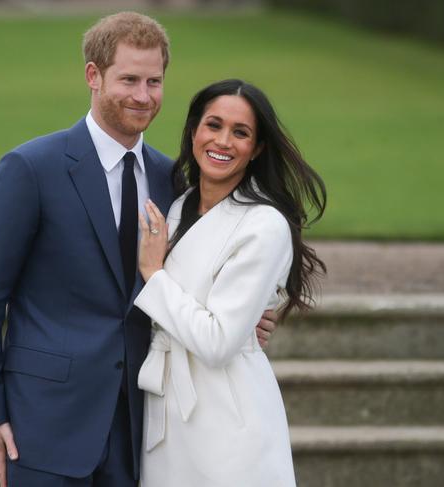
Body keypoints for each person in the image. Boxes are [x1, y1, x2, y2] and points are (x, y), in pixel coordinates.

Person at [0, 13, 277, 487]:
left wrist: (242, 316)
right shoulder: (30, 169)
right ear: (93, 76)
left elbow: (186, 278)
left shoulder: (175, 183)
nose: (143, 96)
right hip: (43, 424)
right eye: (128, 79)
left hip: (142, 428)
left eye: (154, 81)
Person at [134, 79, 327, 486]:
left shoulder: (264, 225)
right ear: (193, 131)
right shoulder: (180, 205)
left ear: (256, 148)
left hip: (227, 415)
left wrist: (154, 275)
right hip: (165, 410)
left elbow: (218, 342)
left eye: (240, 133)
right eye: (213, 125)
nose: (223, 141)